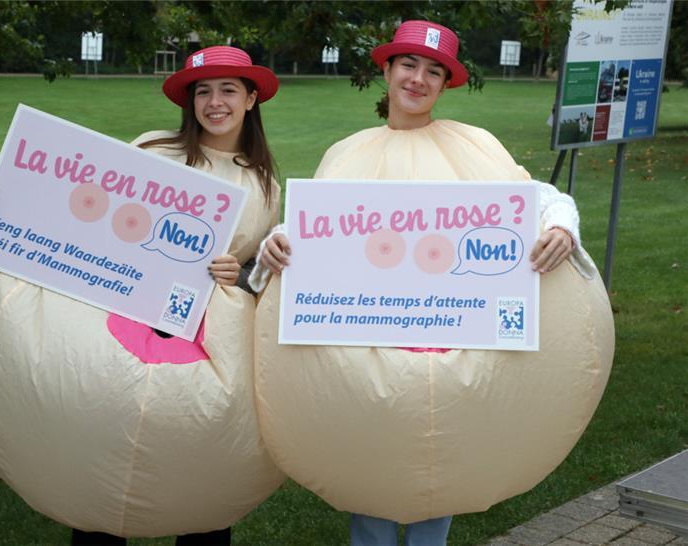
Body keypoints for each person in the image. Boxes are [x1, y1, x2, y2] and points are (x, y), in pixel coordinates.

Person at [251, 20, 591, 546]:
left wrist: (561, 225)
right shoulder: (348, 152)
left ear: (445, 83)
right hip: (363, 342)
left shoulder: (473, 146)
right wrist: (277, 242)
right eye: (408, 64)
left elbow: (536, 198)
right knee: (371, 466)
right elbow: (316, 229)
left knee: (441, 467)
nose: (418, 79)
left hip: (454, 340)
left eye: (433, 71)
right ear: (387, 70)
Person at [0, 45, 281, 546]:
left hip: (204, 335)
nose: (215, 103)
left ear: (251, 98)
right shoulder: (154, 149)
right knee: (104, 442)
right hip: (119, 313)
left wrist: (240, 272)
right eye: (203, 92)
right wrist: (2, 197)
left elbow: (258, 272)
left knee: (203, 457)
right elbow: (86, 208)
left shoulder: (263, 181)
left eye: (228, 90)